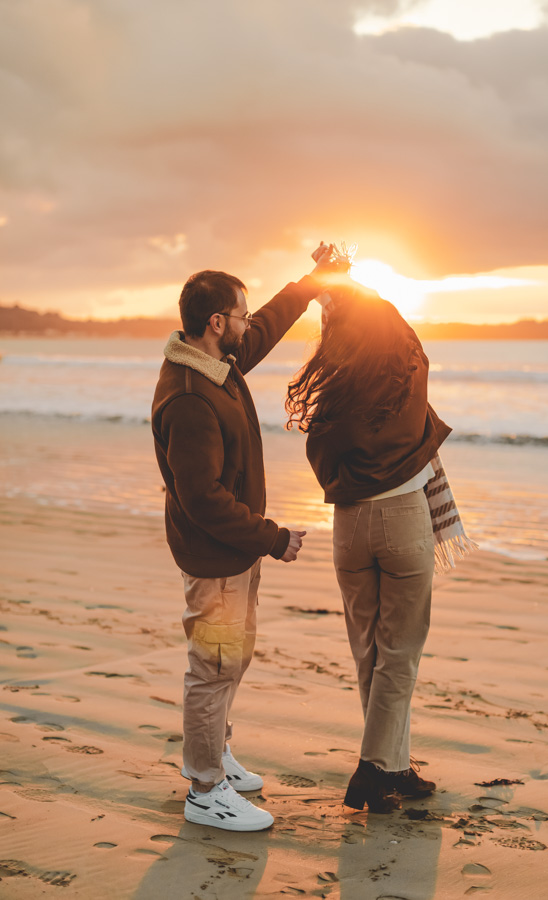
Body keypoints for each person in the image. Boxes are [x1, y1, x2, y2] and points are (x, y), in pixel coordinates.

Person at [152, 245, 339, 832]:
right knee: (211, 667)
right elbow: (202, 497)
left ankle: (215, 754)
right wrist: (272, 537)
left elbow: (264, 331)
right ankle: (205, 789)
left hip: (231, 551)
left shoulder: (219, 366)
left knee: (231, 660)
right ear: (216, 323)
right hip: (215, 554)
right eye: (240, 314)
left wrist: (311, 284)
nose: (246, 323)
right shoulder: (189, 396)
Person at [286, 277, 452, 813]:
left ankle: (394, 768)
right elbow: (391, 317)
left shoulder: (337, 390)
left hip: (349, 525)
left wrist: (328, 292)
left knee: (371, 651)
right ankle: (371, 770)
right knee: (399, 653)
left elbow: (319, 455)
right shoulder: (410, 366)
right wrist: (348, 282)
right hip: (403, 518)